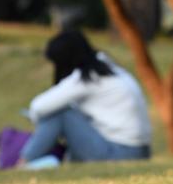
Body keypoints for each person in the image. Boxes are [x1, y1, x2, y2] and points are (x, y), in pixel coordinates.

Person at [19, 31, 152, 165]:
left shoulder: (87, 77)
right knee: (69, 114)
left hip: (121, 152)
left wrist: (37, 120)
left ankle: (23, 163)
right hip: (140, 151)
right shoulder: (108, 67)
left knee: (61, 114)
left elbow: (37, 107)